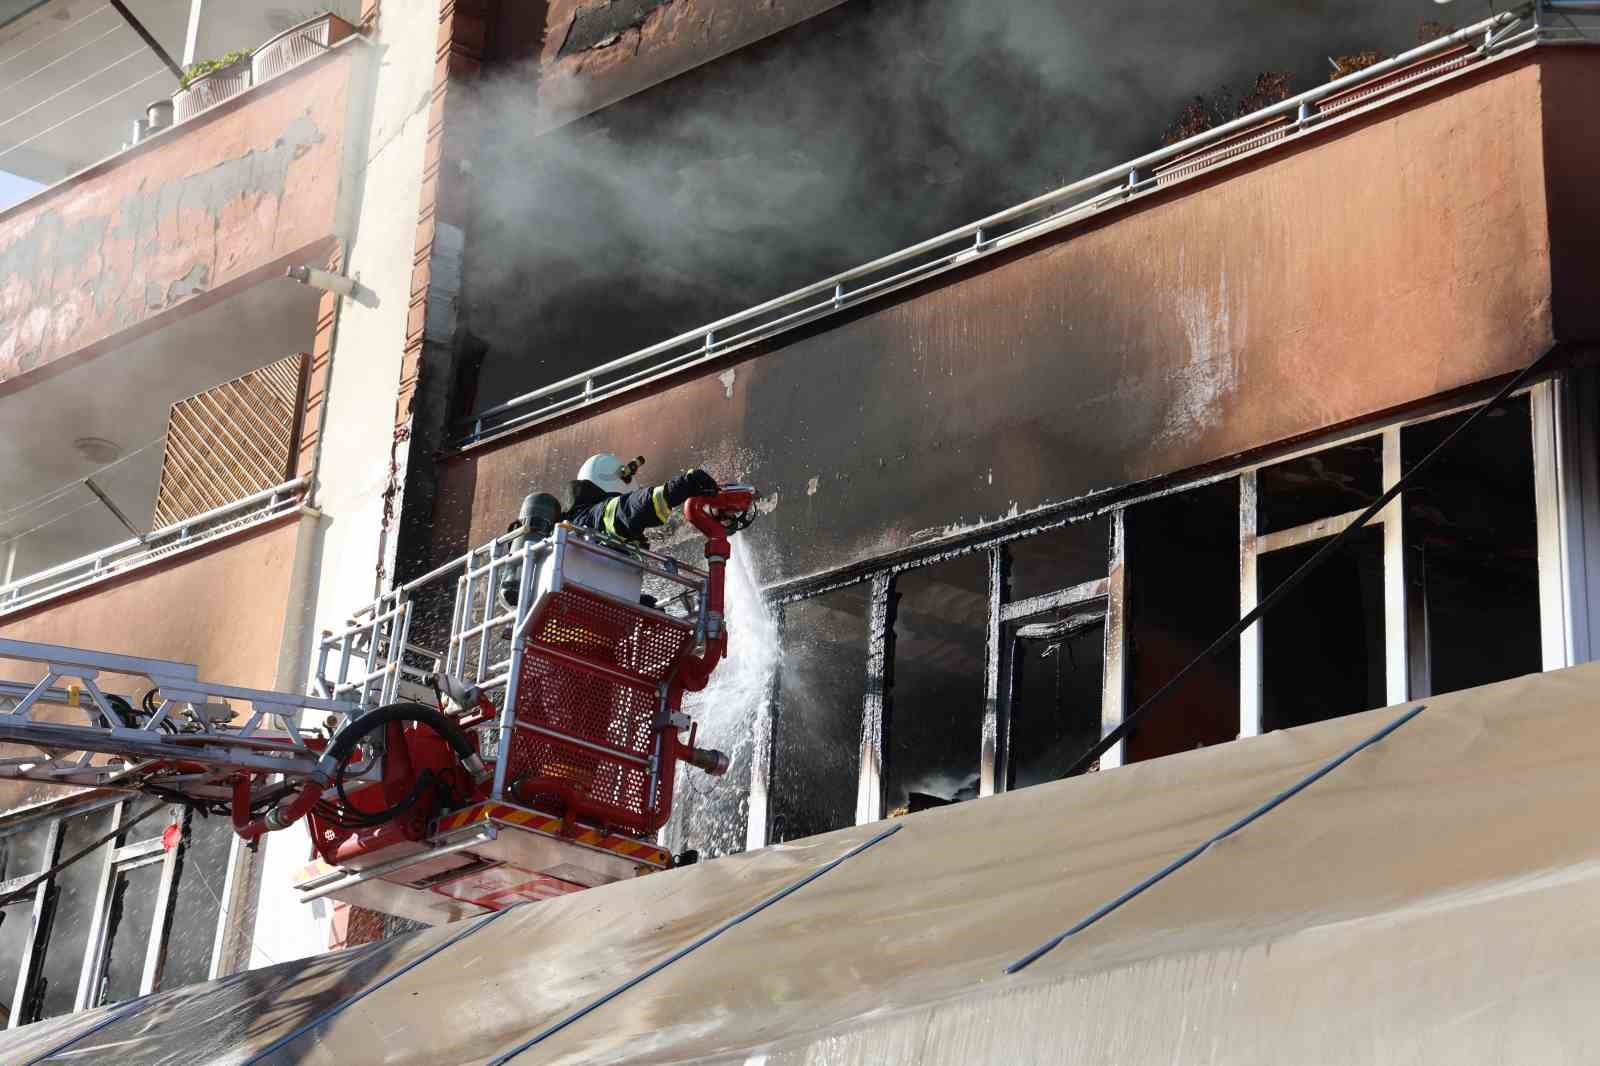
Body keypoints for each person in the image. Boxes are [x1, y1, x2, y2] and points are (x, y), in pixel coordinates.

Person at [567, 453, 719, 546]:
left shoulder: (584, 522)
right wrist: (685, 484)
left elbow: (663, 531)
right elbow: (631, 508)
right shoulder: (595, 516)